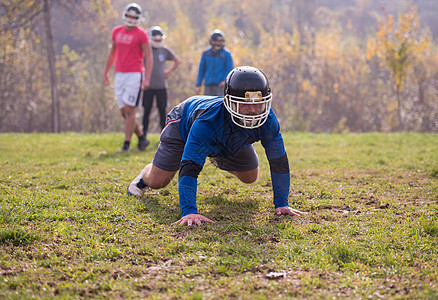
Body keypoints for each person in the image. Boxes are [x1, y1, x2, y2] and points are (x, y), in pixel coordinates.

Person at [128, 66, 303, 226]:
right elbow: (189, 168)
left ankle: (218, 156)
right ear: (228, 102)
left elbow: (279, 161)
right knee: (158, 182)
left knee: (250, 176)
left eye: (257, 104)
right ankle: (145, 174)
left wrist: (282, 203)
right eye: (245, 104)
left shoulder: (268, 120)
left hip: (230, 135)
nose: (252, 111)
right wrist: (189, 211)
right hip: (183, 126)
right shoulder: (206, 122)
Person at [103, 3, 153, 152]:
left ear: (138, 18)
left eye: (134, 16)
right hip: (119, 74)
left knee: (130, 110)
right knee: (124, 112)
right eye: (129, 15)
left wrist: (147, 78)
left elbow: (149, 57)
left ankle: (126, 145)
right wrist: (106, 72)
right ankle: (142, 138)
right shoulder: (116, 31)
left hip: (135, 74)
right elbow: (112, 52)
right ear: (125, 15)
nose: (131, 18)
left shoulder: (141, 34)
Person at [142, 26, 180, 146]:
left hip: (161, 86)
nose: (157, 42)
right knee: (146, 110)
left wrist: (168, 71)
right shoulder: (146, 51)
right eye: (155, 40)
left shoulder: (164, 51)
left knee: (162, 110)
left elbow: (177, 60)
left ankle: (164, 135)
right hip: (148, 86)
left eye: (159, 40)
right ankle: (143, 135)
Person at [195, 29, 234, 96]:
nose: (218, 43)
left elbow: (229, 69)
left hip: (220, 86)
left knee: (219, 104)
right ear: (212, 41)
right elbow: (201, 70)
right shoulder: (206, 54)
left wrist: (224, 81)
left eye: (220, 41)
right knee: (207, 104)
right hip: (208, 86)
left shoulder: (227, 54)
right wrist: (199, 84)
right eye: (216, 41)